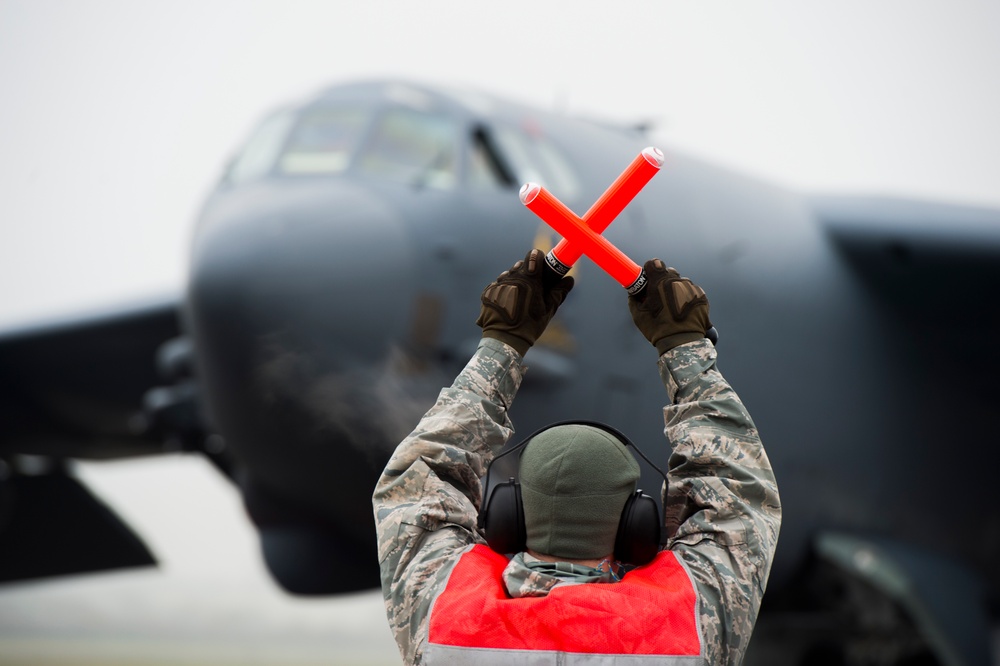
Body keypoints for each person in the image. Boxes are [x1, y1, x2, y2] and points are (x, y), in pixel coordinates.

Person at [373, 249, 781, 665]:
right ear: (634, 527)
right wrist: (684, 347)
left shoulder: (445, 612)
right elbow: (736, 491)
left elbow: (417, 483)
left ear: (511, 516)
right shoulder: (687, 622)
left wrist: (502, 342)